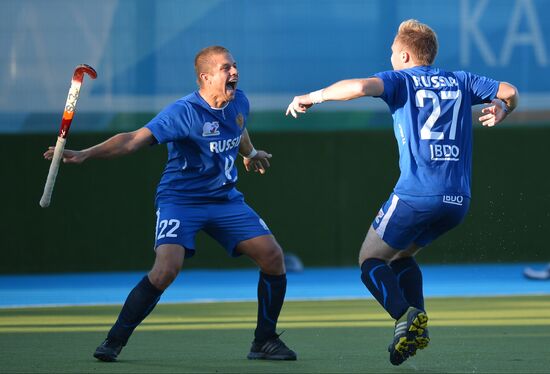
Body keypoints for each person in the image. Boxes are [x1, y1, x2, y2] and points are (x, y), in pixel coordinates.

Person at [286, 19, 518, 366]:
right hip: (457, 201)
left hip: (417, 194)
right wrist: (503, 109)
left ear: (406, 54)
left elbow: (359, 86)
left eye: (393, 51)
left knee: (370, 260)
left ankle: (403, 316)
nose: (390, 56)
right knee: (403, 256)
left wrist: (311, 97)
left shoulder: (400, 79)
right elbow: (510, 91)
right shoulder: (461, 80)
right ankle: (417, 323)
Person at [44, 46, 297, 362]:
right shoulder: (183, 112)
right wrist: (85, 154)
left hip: (225, 200)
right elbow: (134, 139)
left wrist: (249, 153)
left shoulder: (238, 100)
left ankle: (264, 341)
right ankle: (114, 340)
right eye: (225, 68)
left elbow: (239, 126)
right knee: (166, 269)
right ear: (205, 77)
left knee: (273, 257)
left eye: (234, 66)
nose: (234, 72)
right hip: (181, 201)